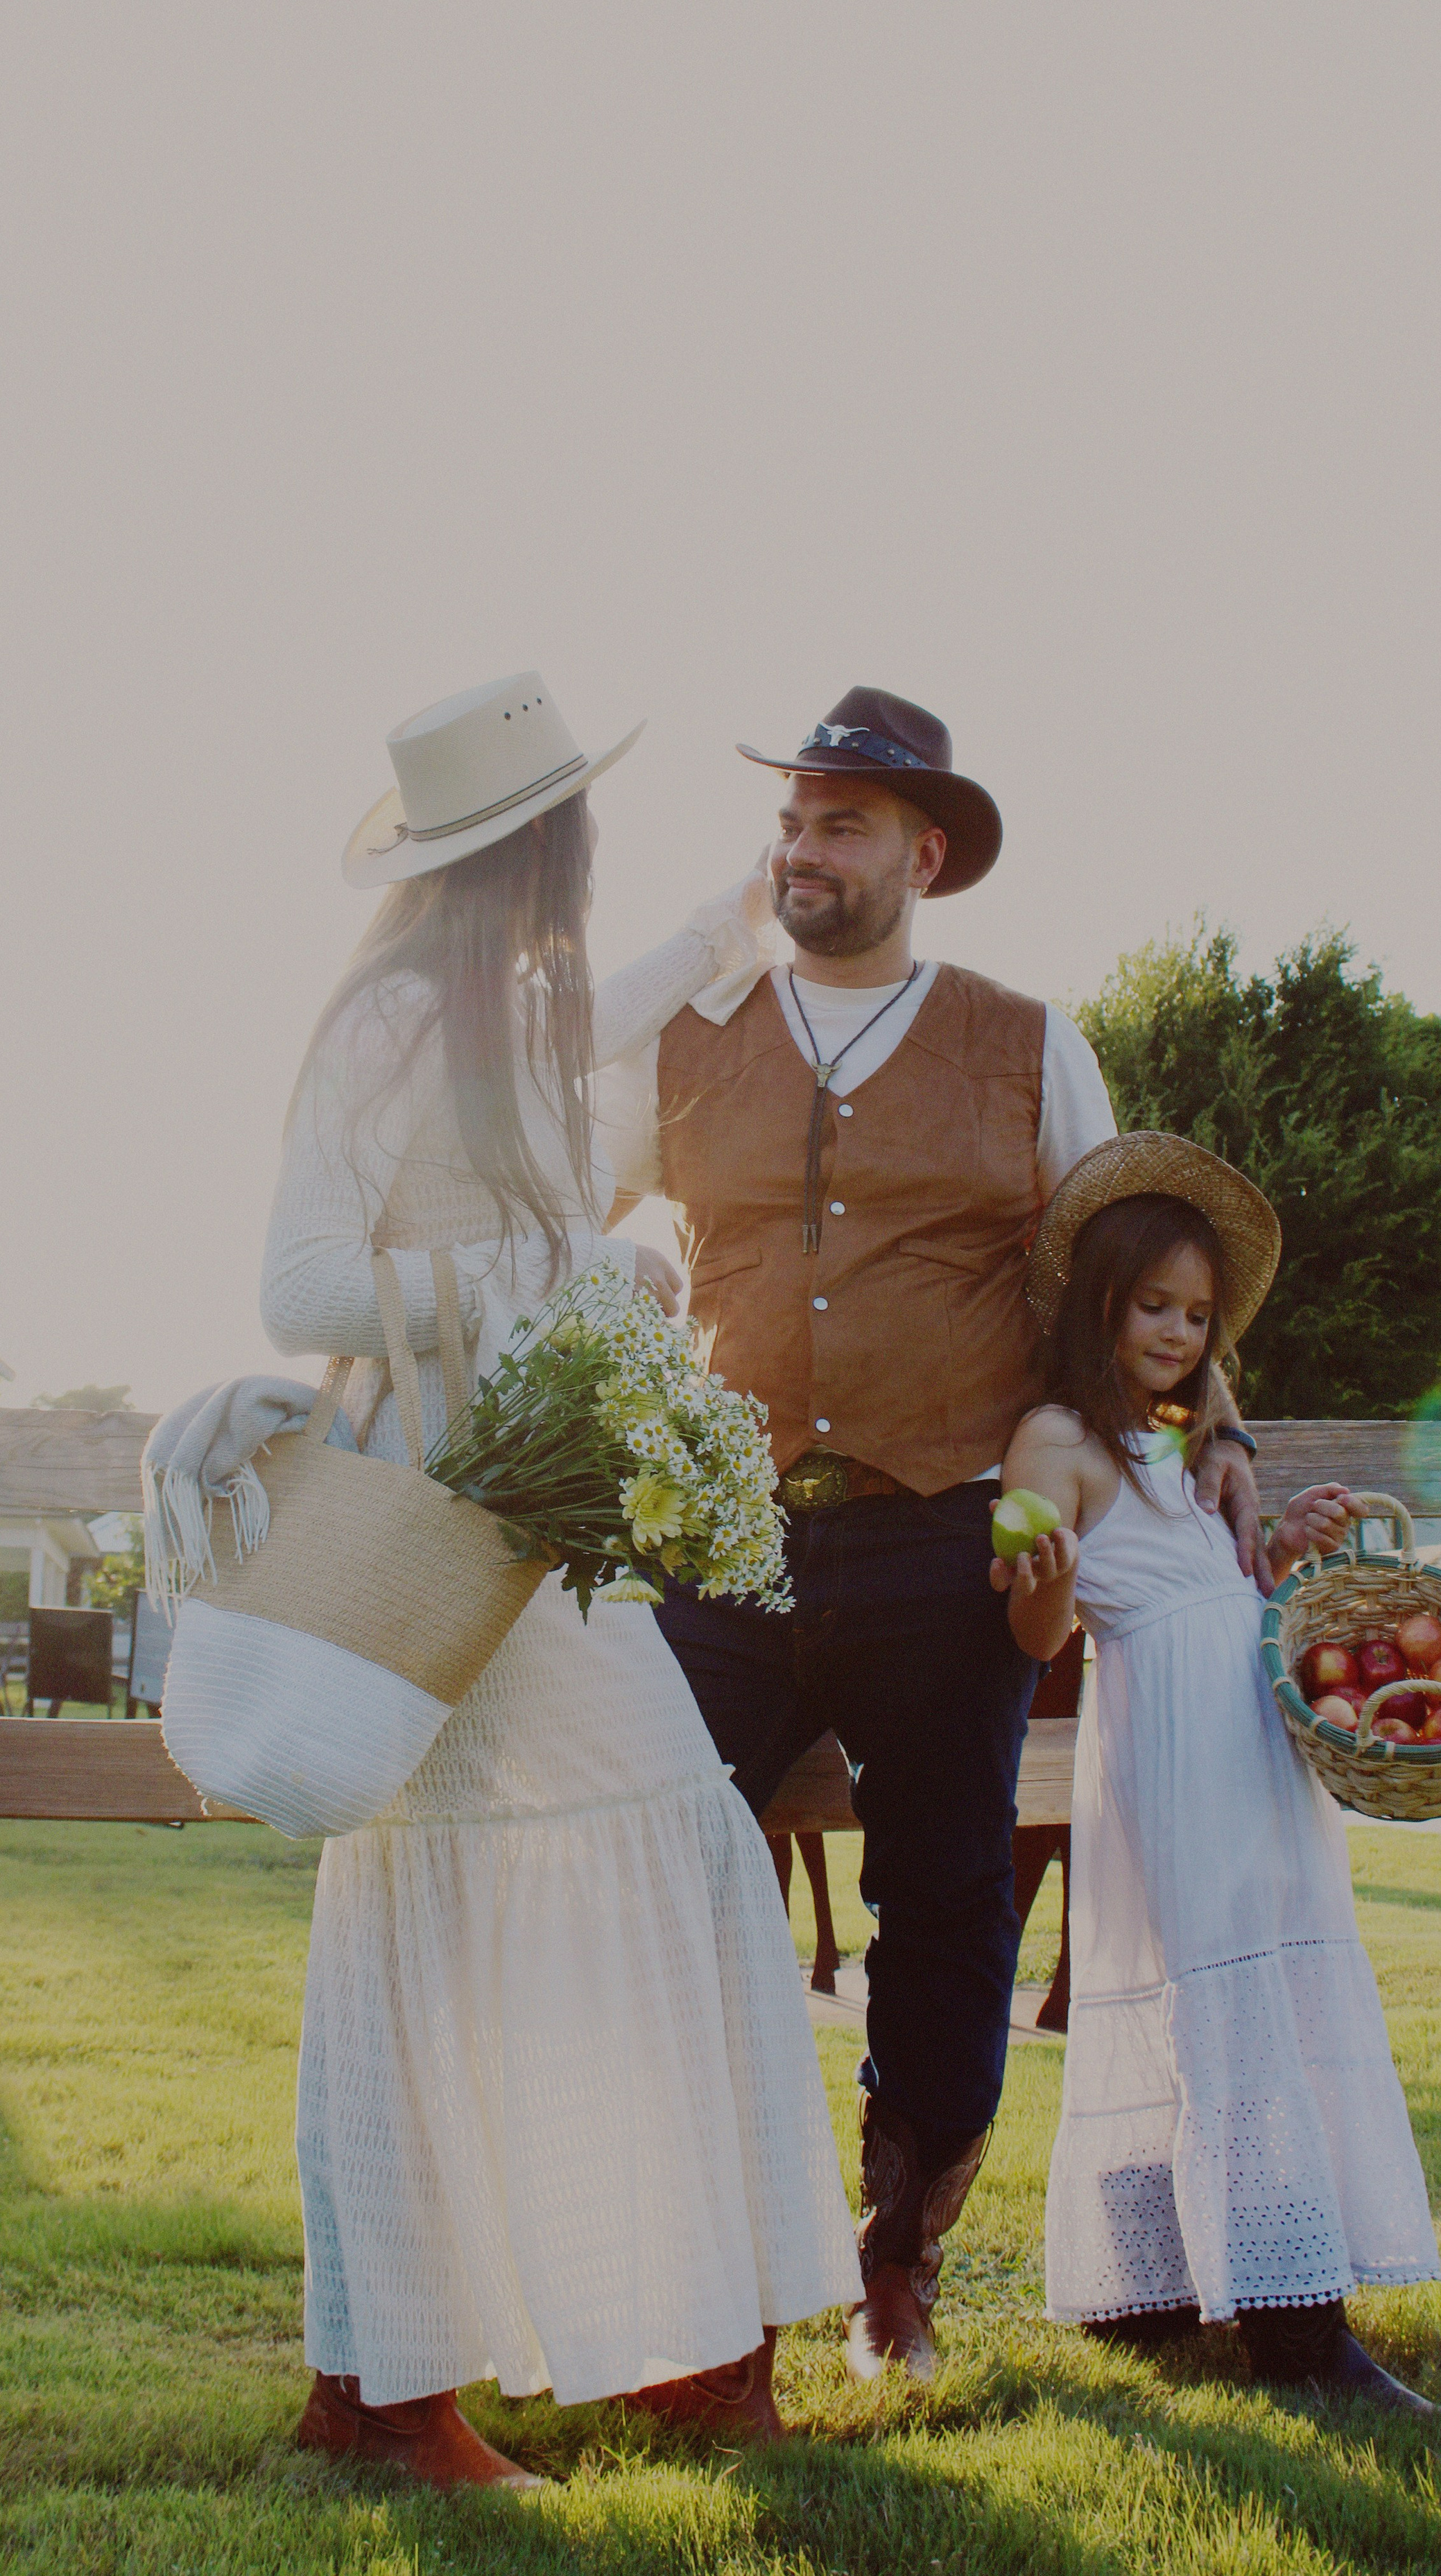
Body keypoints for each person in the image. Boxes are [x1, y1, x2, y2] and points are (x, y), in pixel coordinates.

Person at [599, 686, 1268, 2381]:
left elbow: (1123, 1273)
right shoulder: (689, 1028)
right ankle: (698, 2263)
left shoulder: (1021, 1037)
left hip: (944, 1541)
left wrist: (1220, 1421)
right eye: (791, 819)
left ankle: (895, 2257)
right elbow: (564, 1214)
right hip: (721, 1531)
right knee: (648, 1868)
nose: (799, 848)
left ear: (923, 850)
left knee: (951, 1902)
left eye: (838, 822)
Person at [262, 673, 859, 2492]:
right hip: (443, 1521)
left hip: (542, 1520)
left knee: (667, 1853)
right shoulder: (382, 1023)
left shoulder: (496, 1013)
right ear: (536, 845)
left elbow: (612, 1020)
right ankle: (385, 2398)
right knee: (508, 1898)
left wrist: (737, 914)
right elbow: (299, 1286)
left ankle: (675, 2347)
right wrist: (539, 1297)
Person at [996, 1132, 1441, 2412]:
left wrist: (1283, 1544)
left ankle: (1155, 2280)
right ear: (1099, 1305)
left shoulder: (1192, 1443)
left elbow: (1233, 1589)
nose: (1180, 1333)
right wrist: (1045, 1581)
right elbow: (1034, 1631)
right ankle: (1299, 2335)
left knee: (1269, 1971)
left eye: (1197, 1315)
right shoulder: (1055, 1441)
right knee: (1215, 1989)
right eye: (1154, 1307)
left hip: (1253, 1737)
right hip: (1173, 1745)